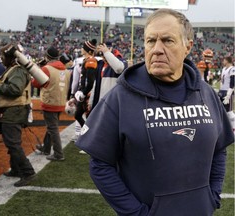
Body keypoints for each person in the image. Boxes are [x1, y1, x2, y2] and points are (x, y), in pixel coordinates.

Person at [76, 8, 234, 215]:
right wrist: (136, 213)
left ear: (188, 46)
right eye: (151, 41)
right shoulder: (120, 97)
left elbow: (219, 148)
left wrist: (211, 195)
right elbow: (99, 165)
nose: (157, 49)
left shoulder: (206, 93)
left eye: (167, 40)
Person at [0, 43, 36, 187]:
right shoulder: (14, 69)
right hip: (12, 110)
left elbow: (15, 89)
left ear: (10, 57)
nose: (1, 58)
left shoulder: (17, 70)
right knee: (11, 142)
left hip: (14, 110)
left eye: (3, 56)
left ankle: (28, 172)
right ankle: (16, 169)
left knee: (13, 143)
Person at [33, 46, 71, 161]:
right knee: (52, 126)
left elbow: (36, 83)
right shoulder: (65, 69)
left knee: (52, 128)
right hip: (61, 101)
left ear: (47, 56)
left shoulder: (46, 68)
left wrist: (39, 69)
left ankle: (58, 153)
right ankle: (46, 148)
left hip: (49, 101)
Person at [89, 41, 128, 110]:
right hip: (100, 103)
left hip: (113, 104)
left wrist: (107, 53)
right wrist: (91, 101)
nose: (103, 57)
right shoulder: (101, 64)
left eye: (103, 54)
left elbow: (119, 68)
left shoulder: (121, 61)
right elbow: (96, 84)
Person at [74, 39, 98, 127]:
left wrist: (84, 93)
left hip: (87, 93)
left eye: (83, 47)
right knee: (78, 115)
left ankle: (89, 135)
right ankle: (86, 133)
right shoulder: (87, 60)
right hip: (84, 91)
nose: (81, 49)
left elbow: (90, 81)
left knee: (89, 117)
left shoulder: (91, 61)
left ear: (88, 50)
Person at [218, 55, 235, 134]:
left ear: (227, 61)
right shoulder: (224, 69)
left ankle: (234, 131)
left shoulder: (232, 69)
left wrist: (228, 95)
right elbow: (222, 79)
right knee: (221, 110)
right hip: (222, 91)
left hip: (228, 92)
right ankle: (223, 130)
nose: (223, 61)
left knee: (229, 112)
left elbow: (232, 82)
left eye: (224, 60)